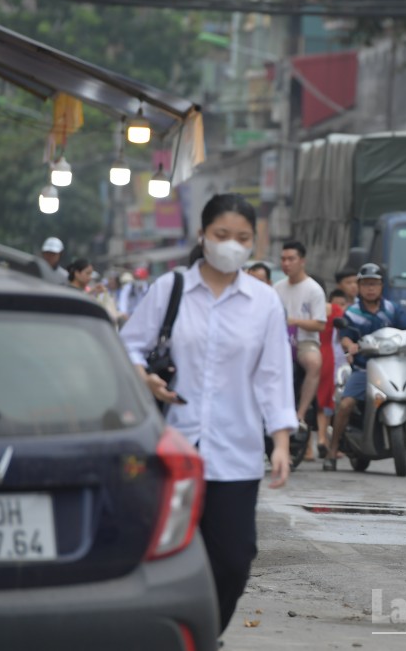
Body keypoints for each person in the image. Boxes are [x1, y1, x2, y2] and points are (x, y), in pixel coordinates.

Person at [120, 193, 297, 638]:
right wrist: (144, 377)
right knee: (159, 555)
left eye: (242, 237)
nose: (231, 245)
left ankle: (203, 636)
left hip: (234, 452)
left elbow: (273, 376)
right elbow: (127, 344)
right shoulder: (170, 288)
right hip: (170, 446)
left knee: (234, 559)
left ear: (254, 241)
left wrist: (280, 442)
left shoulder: (263, 302)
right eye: (222, 235)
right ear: (202, 235)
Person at [324, 263, 406, 472]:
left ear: (381, 286)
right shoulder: (353, 313)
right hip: (364, 369)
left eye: (374, 284)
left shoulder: (392, 309)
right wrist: (351, 346)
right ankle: (332, 450)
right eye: (366, 284)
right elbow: (345, 337)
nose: (370, 288)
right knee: (346, 404)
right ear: (359, 286)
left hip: (394, 365)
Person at [273, 241, 327, 426]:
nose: (286, 263)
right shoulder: (277, 288)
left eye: (291, 259)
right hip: (280, 341)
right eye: (283, 259)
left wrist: (295, 321)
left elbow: (320, 324)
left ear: (302, 261)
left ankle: (300, 414)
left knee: (314, 362)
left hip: (304, 341)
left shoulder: (314, 290)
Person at [316, 288, 350, 459]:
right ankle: (323, 439)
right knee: (326, 401)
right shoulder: (336, 312)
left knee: (319, 401)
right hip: (329, 357)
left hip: (317, 353)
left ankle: (320, 442)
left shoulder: (306, 309)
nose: (341, 307)